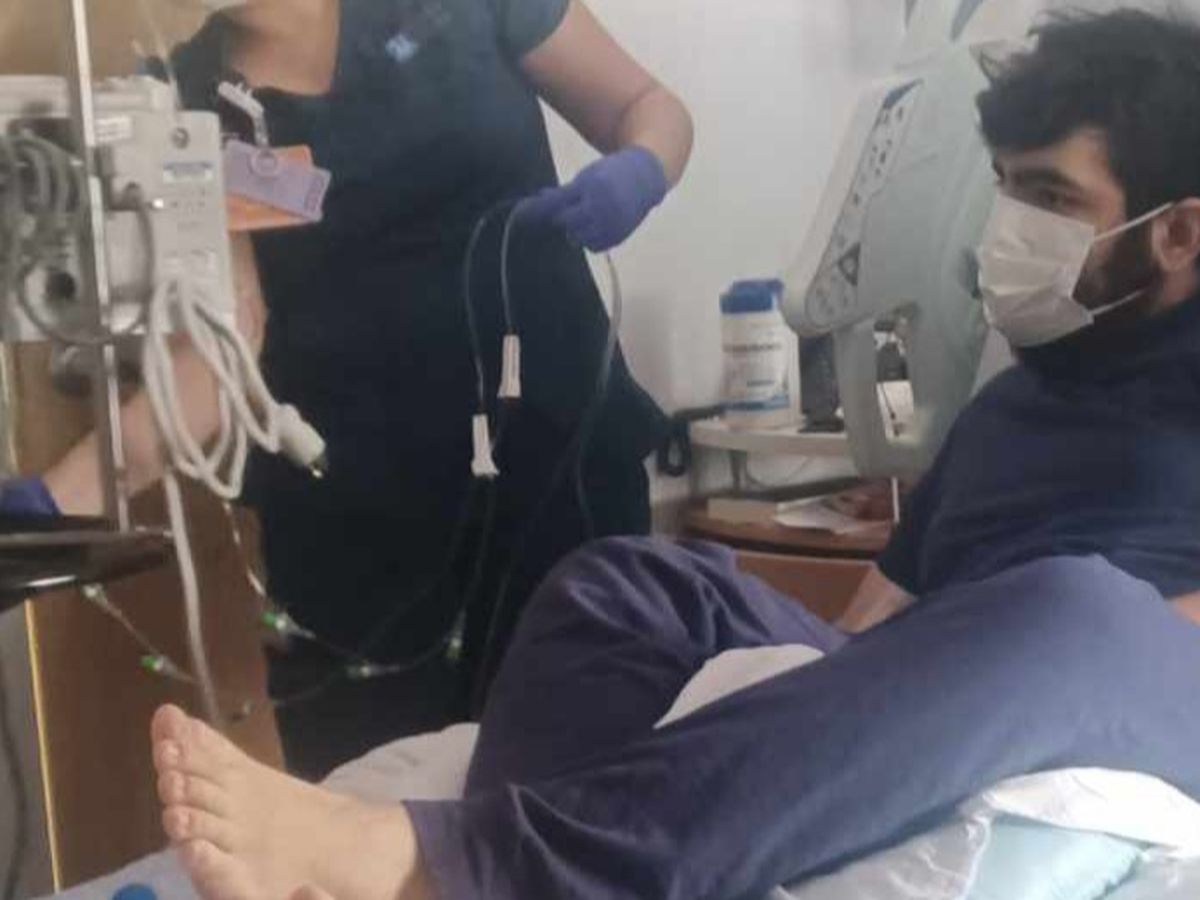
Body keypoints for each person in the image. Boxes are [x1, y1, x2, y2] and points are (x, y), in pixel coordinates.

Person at [147, 9, 1200, 900]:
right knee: (631, 584)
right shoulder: (1017, 403)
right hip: (971, 667)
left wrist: (1012, 640)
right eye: (1007, 189)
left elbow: (1098, 631)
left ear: (1181, 233)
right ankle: (520, 860)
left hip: (1141, 675)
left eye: (1053, 200)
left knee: (1078, 606)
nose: (1012, 229)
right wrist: (832, 702)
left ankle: (450, 861)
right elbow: (878, 619)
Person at [4, 0, 693, 777]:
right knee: (371, 827)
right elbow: (214, 362)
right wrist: (51, 503)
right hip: (361, 561)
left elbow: (649, 106)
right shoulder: (191, 102)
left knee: (593, 802)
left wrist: (642, 169)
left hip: (557, 488)